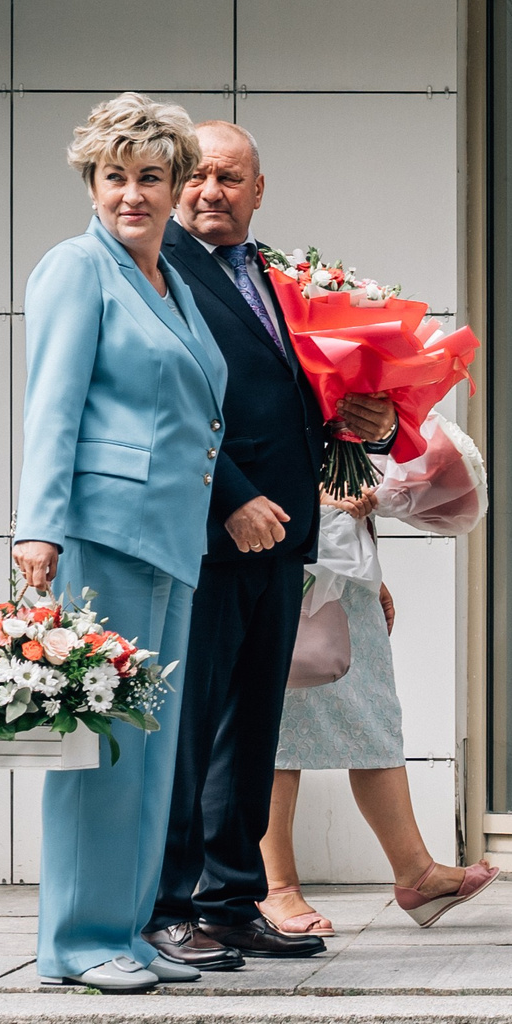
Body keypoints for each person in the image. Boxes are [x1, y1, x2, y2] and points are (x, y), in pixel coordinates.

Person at [145, 121, 402, 970]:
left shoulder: (281, 278)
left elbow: (319, 393)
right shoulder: (157, 269)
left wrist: (378, 419)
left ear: (260, 190)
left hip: (287, 536)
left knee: (253, 729)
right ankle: (168, 905)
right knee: (190, 727)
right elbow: (166, 406)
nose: (207, 190)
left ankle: (231, 899)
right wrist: (233, 499)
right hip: (207, 534)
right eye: (195, 174)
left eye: (228, 176)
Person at [14, 95, 228, 993]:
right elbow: (52, 404)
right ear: (92, 183)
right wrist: (38, 526)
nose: (132, 194)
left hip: (171, 542)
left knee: (149, 745)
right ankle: (76, 938)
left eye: (151, 177)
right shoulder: (77, 269)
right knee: (97, 746)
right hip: (103, 534)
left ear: (176, 187)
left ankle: (129, 929)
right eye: (116, 177)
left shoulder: (168, 281)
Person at [255, 482, 502, 935]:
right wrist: (313, 495)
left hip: (339, 563)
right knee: (274, 727)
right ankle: (276, 886)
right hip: (275, 549)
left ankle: (416, 873)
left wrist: (362, 564)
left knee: (373, 720)